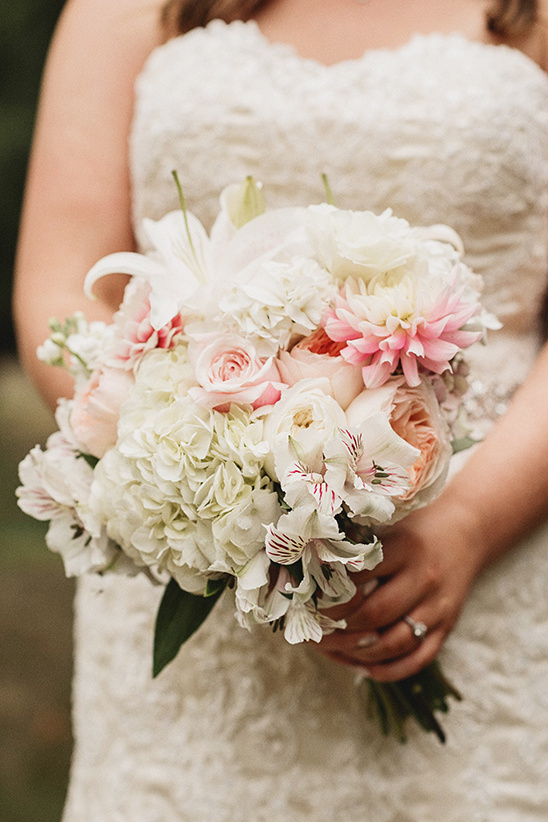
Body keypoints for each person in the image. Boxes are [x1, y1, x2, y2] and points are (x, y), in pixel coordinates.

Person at [13, 0, 548, 818]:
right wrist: (200, 470)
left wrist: (465, 526)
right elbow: (60, 288)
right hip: (195, 590)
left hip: (486, 557)